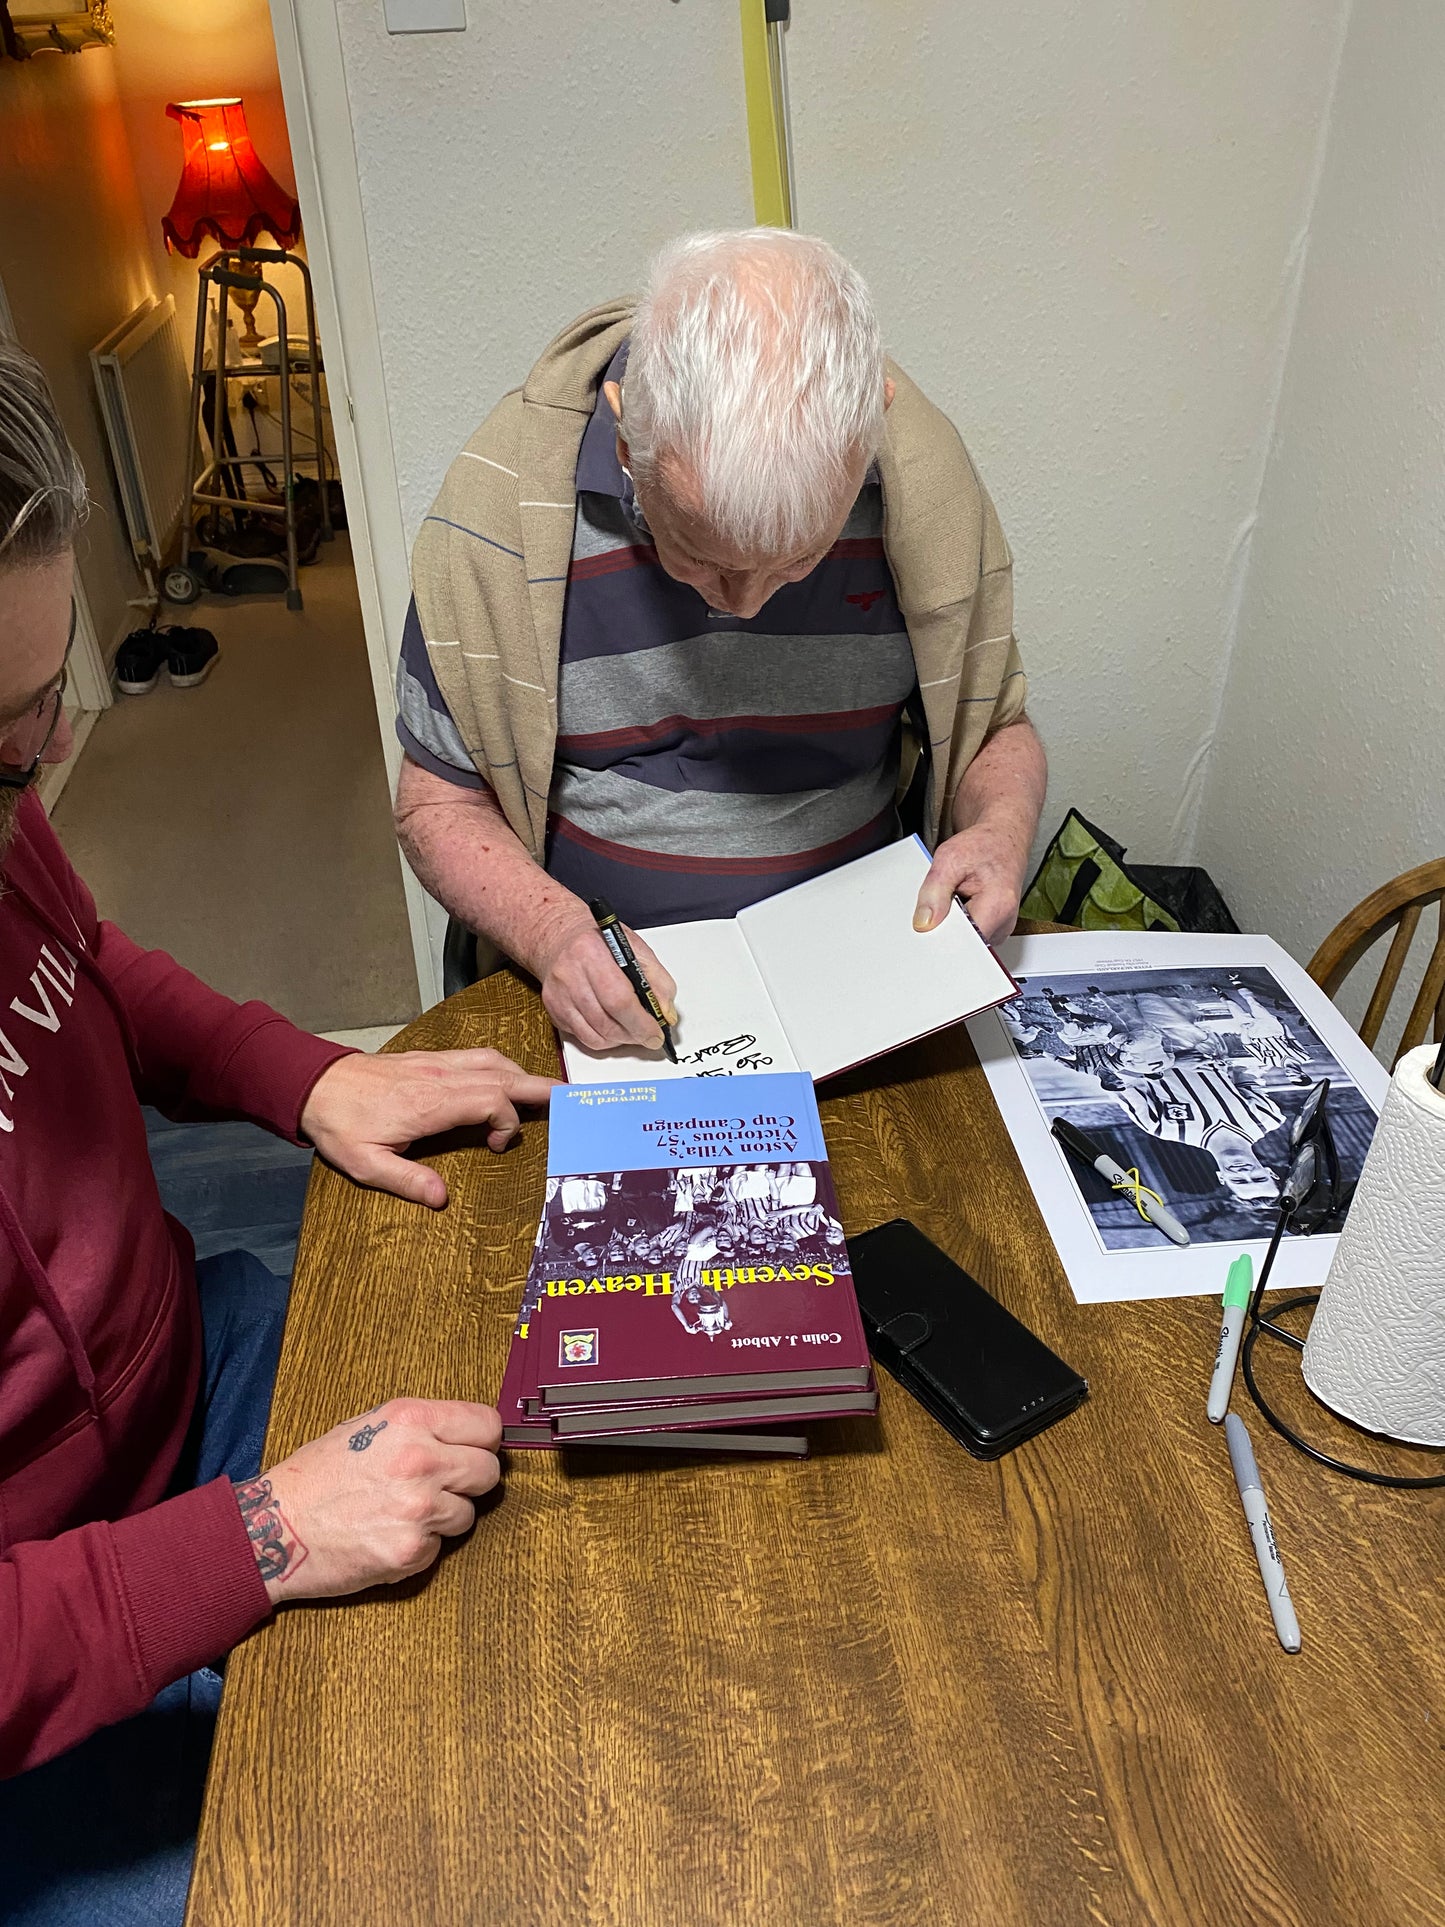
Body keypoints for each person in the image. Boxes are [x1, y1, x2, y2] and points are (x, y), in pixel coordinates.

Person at [0, 342, 557, 1923]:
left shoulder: (2, 805)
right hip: (47, 1661)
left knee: (543, 1499)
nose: (42, 758)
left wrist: (302, 1071)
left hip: (192, 1368)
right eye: (2, 725)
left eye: (43, 697)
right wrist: (260, 1537)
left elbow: (78, 962)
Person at [392, 228, 1047, 1057]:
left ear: (868, 434)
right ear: (629, 439)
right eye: (700, 553)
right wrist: (553, 932)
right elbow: (434, 803)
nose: (743, 604)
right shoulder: (500, 516)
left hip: (866, 976)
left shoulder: (924, 494)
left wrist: (998, 830)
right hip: (599, 993)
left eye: (799, 559)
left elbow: (996, 730)